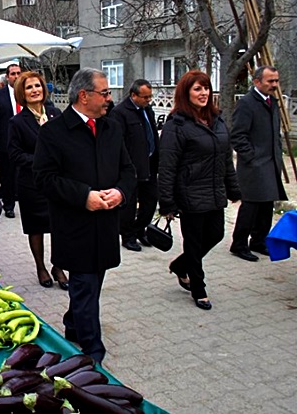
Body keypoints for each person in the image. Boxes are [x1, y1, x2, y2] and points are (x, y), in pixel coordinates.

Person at [33, 68, 136, 363]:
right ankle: (92, 352)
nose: (109, 98)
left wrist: (121, 192)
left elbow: (128, 170)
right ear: (83, 96)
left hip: (105, 223)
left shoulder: (111, 127)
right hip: (74, 225)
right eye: (104, 93)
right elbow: (44, 179)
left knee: (92, 284)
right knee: (85, 284)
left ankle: (74, 323)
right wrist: (83, 196)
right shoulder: (53, 132)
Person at [158, 70, 241, 311]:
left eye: (205, 88)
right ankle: (199, 287)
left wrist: (234, 190)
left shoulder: (217, 120)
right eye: (197, 89)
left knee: (215, 235)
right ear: (186, 93)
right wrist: (167, 203)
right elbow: (167, 166)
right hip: (190, 193)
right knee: (193, 243)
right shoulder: (177, 124)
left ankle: (180, 266)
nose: (203, 93)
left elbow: (226, 159)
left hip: (214, 192)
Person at [8, 71, 68, 290]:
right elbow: (14, 154)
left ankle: (58, 266)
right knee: (36, 228)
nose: (34, 90)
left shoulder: (55, 114)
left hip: (56, 182)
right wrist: (41, 160)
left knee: (59, 226)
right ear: (22, 93)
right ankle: (41, 267)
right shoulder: (17, 122)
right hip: (31, 183)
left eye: (37, 86)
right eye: (29, 87)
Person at [230, 66, 287, 262]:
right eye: (270, 81)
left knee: (266, 206)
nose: (274, 85)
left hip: (271, 162)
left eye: (276, 81)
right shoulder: (247, 103)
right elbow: (237, 135)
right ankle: (238, 244)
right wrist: (252, 157)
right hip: (254, 165)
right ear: (256, 82)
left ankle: (258, 241)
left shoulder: (272, 102)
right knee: (251, 206)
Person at [110, 79, 160, 252]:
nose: (148, 100)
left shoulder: (148, 110)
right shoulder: (120, 113)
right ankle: (128, 236)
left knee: (151, 201)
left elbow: (152, 132)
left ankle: (140, 229)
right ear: (133, 95)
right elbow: (118, 143)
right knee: (129, 206)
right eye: (145, 97)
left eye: (149, 97)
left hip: (150, 164)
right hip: (131, 167)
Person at [0, 63, 23, 218]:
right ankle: (8, 205)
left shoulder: (26, 93)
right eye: (13, 74)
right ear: (7, 77)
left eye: (18, 73)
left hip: (25, 139)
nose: (16, 76)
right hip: (5, 141)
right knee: (7, 174)